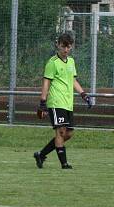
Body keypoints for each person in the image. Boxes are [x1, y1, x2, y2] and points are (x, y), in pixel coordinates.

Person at [34, 32, 92, 170]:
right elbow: (46, 82)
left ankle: (41, 154)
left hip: (67, 103)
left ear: (71, 47)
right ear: (58, 45)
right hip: (55, 102)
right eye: (63, 46)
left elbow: (73, 80)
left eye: (68, 47)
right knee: (60, 132)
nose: (66, 50)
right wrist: (43, 102)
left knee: (69, 133)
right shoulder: (52, 63)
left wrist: (84, 94)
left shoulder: (71, 61)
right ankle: (64, 164)